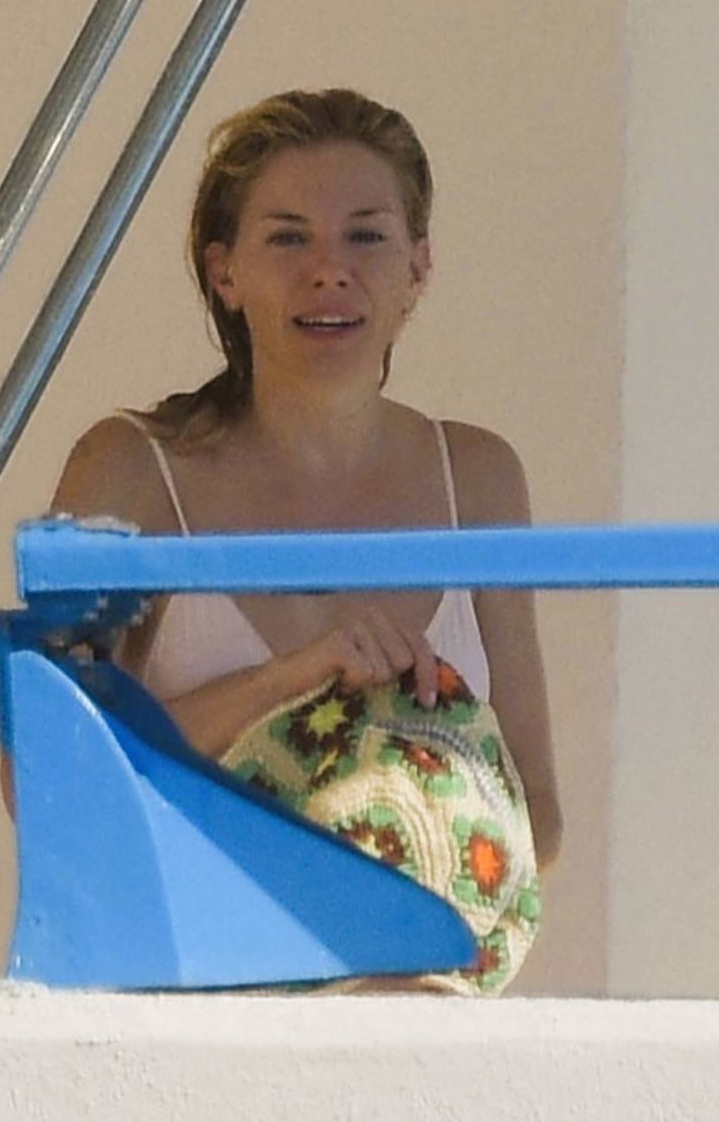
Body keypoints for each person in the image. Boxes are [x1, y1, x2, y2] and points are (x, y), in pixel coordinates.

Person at [48, 87, 562, 897]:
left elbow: (539, 818)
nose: (329, 269)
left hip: (418, 967)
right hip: (191, 967)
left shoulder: (479, 477)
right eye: (288, 237)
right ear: (225, 272)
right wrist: (288, 680)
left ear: (417, 267)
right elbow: (49, 781)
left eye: (367, 235)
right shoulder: (131, 471)